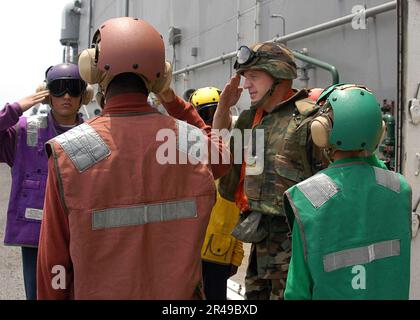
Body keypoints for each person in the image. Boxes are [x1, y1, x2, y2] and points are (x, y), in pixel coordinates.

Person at [37, 17, 231, 300]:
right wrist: (175, 102)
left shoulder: (70, 151)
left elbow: (53, 258)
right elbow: (223, 156)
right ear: (161, 75)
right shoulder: (189, 141)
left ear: (92, 69)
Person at [211, 41, 324, 300]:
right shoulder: (251, 119)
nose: (246, 84)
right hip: (260, 243)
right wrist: (222, 111)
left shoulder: (309, 121)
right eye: (244, 77)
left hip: (296, 246)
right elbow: (225, 177)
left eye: (253, 76)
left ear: (278, 75)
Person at [283, 84, 412, 299]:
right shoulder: (399, 188)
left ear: (322, 132)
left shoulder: (306, 198)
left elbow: (297, 290)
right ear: (378, 133)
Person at [0, 63, 91, 300]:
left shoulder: (95, 134)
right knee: (38, 295)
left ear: (84, 94)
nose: (67, 96)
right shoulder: (23, 131)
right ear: (47, 94)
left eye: (73, 88)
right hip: (35, 237)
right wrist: (16, 108)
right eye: (58, 89)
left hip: (82, 234)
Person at [185, 86, 244, 300]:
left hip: (220, 247)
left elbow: (240, 204)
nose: (208, 120)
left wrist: (236, 252)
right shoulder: (186, 151)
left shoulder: (238, 148)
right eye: (204, 114)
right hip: (192, 246)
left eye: (213, 112)